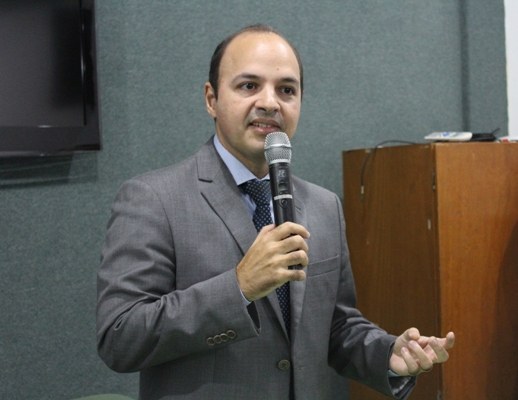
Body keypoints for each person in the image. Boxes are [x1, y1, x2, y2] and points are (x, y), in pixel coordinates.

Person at [96, 24, 455, 400]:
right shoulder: (153, 198)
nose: (270, 102)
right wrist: (238, 287)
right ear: (211, 99)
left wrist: (387, 355)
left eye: (286, 90)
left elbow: (335, 326)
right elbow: (120, 337)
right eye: (249, 85)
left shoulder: (323, 206)